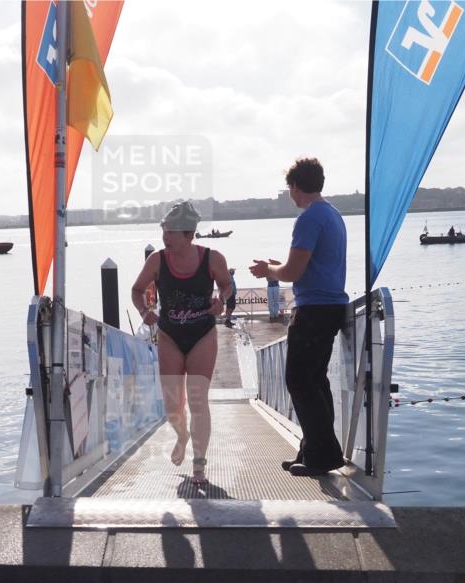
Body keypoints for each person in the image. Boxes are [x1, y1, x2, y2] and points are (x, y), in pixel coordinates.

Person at [249, 157, 349, 477]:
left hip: (314, 310)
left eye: (288, 188)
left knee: (300, 382)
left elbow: (292, 272)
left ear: (295, 186)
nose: (289, 194)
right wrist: (279, 267)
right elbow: (307, 266)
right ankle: (314, 450)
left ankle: (321, 456)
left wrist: (268, 271)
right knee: (315, 382)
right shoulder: (332, 214)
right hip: (331, 307)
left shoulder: (308, 219)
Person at [131, 200, 233, 486]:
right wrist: (143, 311)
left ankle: (199, 464)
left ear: (189, 234)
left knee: (198, 399)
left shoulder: (213, 258)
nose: (165, 237)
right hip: (169, 336)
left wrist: (221, 300)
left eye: (171, 232)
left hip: (202, 334)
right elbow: (137, 290)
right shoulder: (157, 261)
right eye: (164, 230)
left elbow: (227, 284)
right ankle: (182, 435)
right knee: (173, 406)